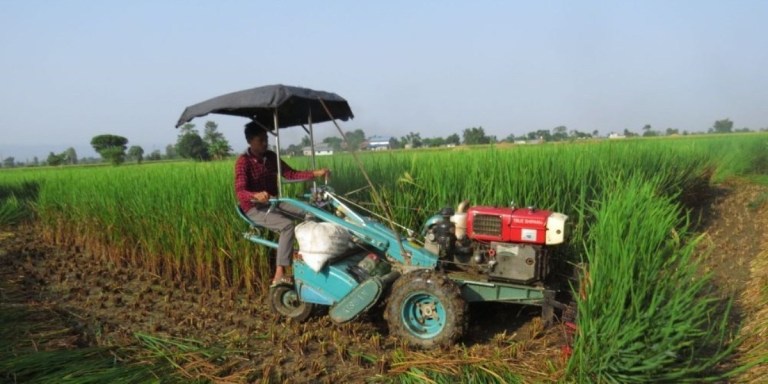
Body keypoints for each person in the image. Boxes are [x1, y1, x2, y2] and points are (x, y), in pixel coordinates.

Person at [234, 121, 330, 287]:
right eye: (260, 140)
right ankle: (280, 272)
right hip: (254, 208)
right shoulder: (243, 162)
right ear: (250, 141)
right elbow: (240, 190)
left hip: (274, 202)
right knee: (287, 226)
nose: (265, 143)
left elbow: (290, 174)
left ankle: (310, 255)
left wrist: (316, 173)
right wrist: (255, 195)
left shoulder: (271, 157)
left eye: (266, 139)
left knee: (311, 213)